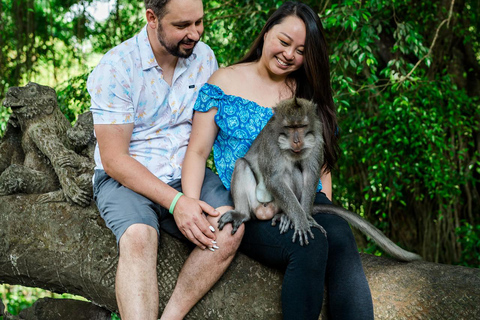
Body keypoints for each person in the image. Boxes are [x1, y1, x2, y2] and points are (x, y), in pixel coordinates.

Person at [182, 1, 375, 319]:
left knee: (339, 234)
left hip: (301, 198)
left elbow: (321, 165)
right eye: (284, 42)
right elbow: (197, 152)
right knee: (309, 246)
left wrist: (320, 208)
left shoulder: (305, 91)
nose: (289, 55)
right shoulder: (223, 82)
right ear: (267, 31)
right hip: (252, 203)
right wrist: (191, 206)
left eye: (300, 51)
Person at [87, 0, 244, 319]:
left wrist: (189, 194)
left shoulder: (205, 58)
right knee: (140, 237)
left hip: (187, 169)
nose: (195, 33)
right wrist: (178, 204)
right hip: (128, 176)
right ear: (152, 18)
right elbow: (115, 160)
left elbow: (206, 135)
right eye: (183, 25)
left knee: (230, 228)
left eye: (199, 22)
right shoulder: (116, 66)